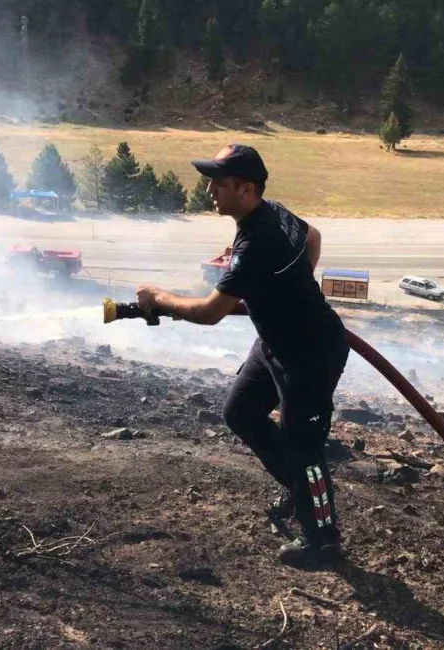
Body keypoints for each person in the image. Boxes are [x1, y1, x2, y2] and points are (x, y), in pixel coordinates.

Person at [135, 144, 349, 565]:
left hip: (310, 353)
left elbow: (211, 312)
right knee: (240, 412)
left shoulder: (255, 242)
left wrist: (159, 297)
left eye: (219, 182)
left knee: (304, 447)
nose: (210, 188)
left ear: (247, 189)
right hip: (275, 345)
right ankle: (301, 486)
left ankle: (323, 540)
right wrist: (287, 292)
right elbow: (313, 237)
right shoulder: (273, 212)